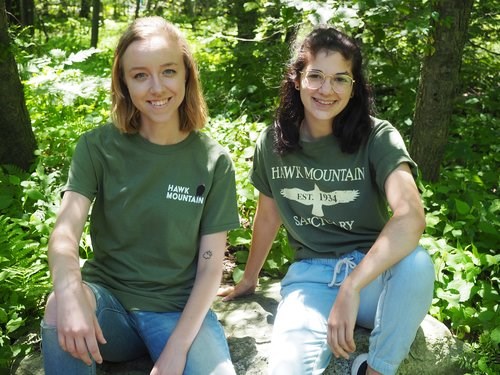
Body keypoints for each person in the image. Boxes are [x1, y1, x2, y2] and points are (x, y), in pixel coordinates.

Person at [218, 25, 435, 375]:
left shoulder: (377, 136)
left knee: (417, 265)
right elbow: (268, 215)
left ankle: (375, 369)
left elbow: (411, 217)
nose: (326, 89)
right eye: (316, 76)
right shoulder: (272, 142)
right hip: (311, 278)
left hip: (373, 278)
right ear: (297, 79)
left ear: (354, 87)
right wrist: (249, 278)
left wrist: (352, 286)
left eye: (340, 79)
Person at [41, 16, 239, 375]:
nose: (156, 87)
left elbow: (211, 267)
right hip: (108, 309)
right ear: (124, 83)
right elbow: (64, 235)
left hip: (176, 311)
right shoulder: (97, 147)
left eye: (168, 71)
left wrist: (177, 350)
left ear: (186, 75)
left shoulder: (213, 161)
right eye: (139, 75)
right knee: (59, 304)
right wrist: (70, 294)